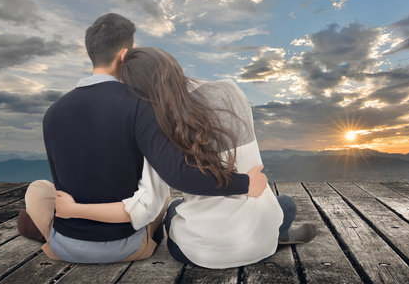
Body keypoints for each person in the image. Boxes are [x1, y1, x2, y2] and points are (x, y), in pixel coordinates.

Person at [17, 13, 268, 263]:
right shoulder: (142, 106)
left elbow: (62, 182)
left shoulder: (52, 113)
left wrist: (73, 209)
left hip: (66, 244)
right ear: (124, 55)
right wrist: (245, 184)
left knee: (39, 190)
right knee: (162, 200)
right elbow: (175, 175)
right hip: (126, 245)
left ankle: (43, 227)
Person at [54, 47, 316, 268]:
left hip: (204, 253)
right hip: (260, 239)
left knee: (173, 210)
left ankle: (254, 233)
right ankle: (272, 234)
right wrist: (247, 185)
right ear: (170, 64)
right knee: (283, 205)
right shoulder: (230, 90)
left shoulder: (158, 123)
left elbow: (174, 182)